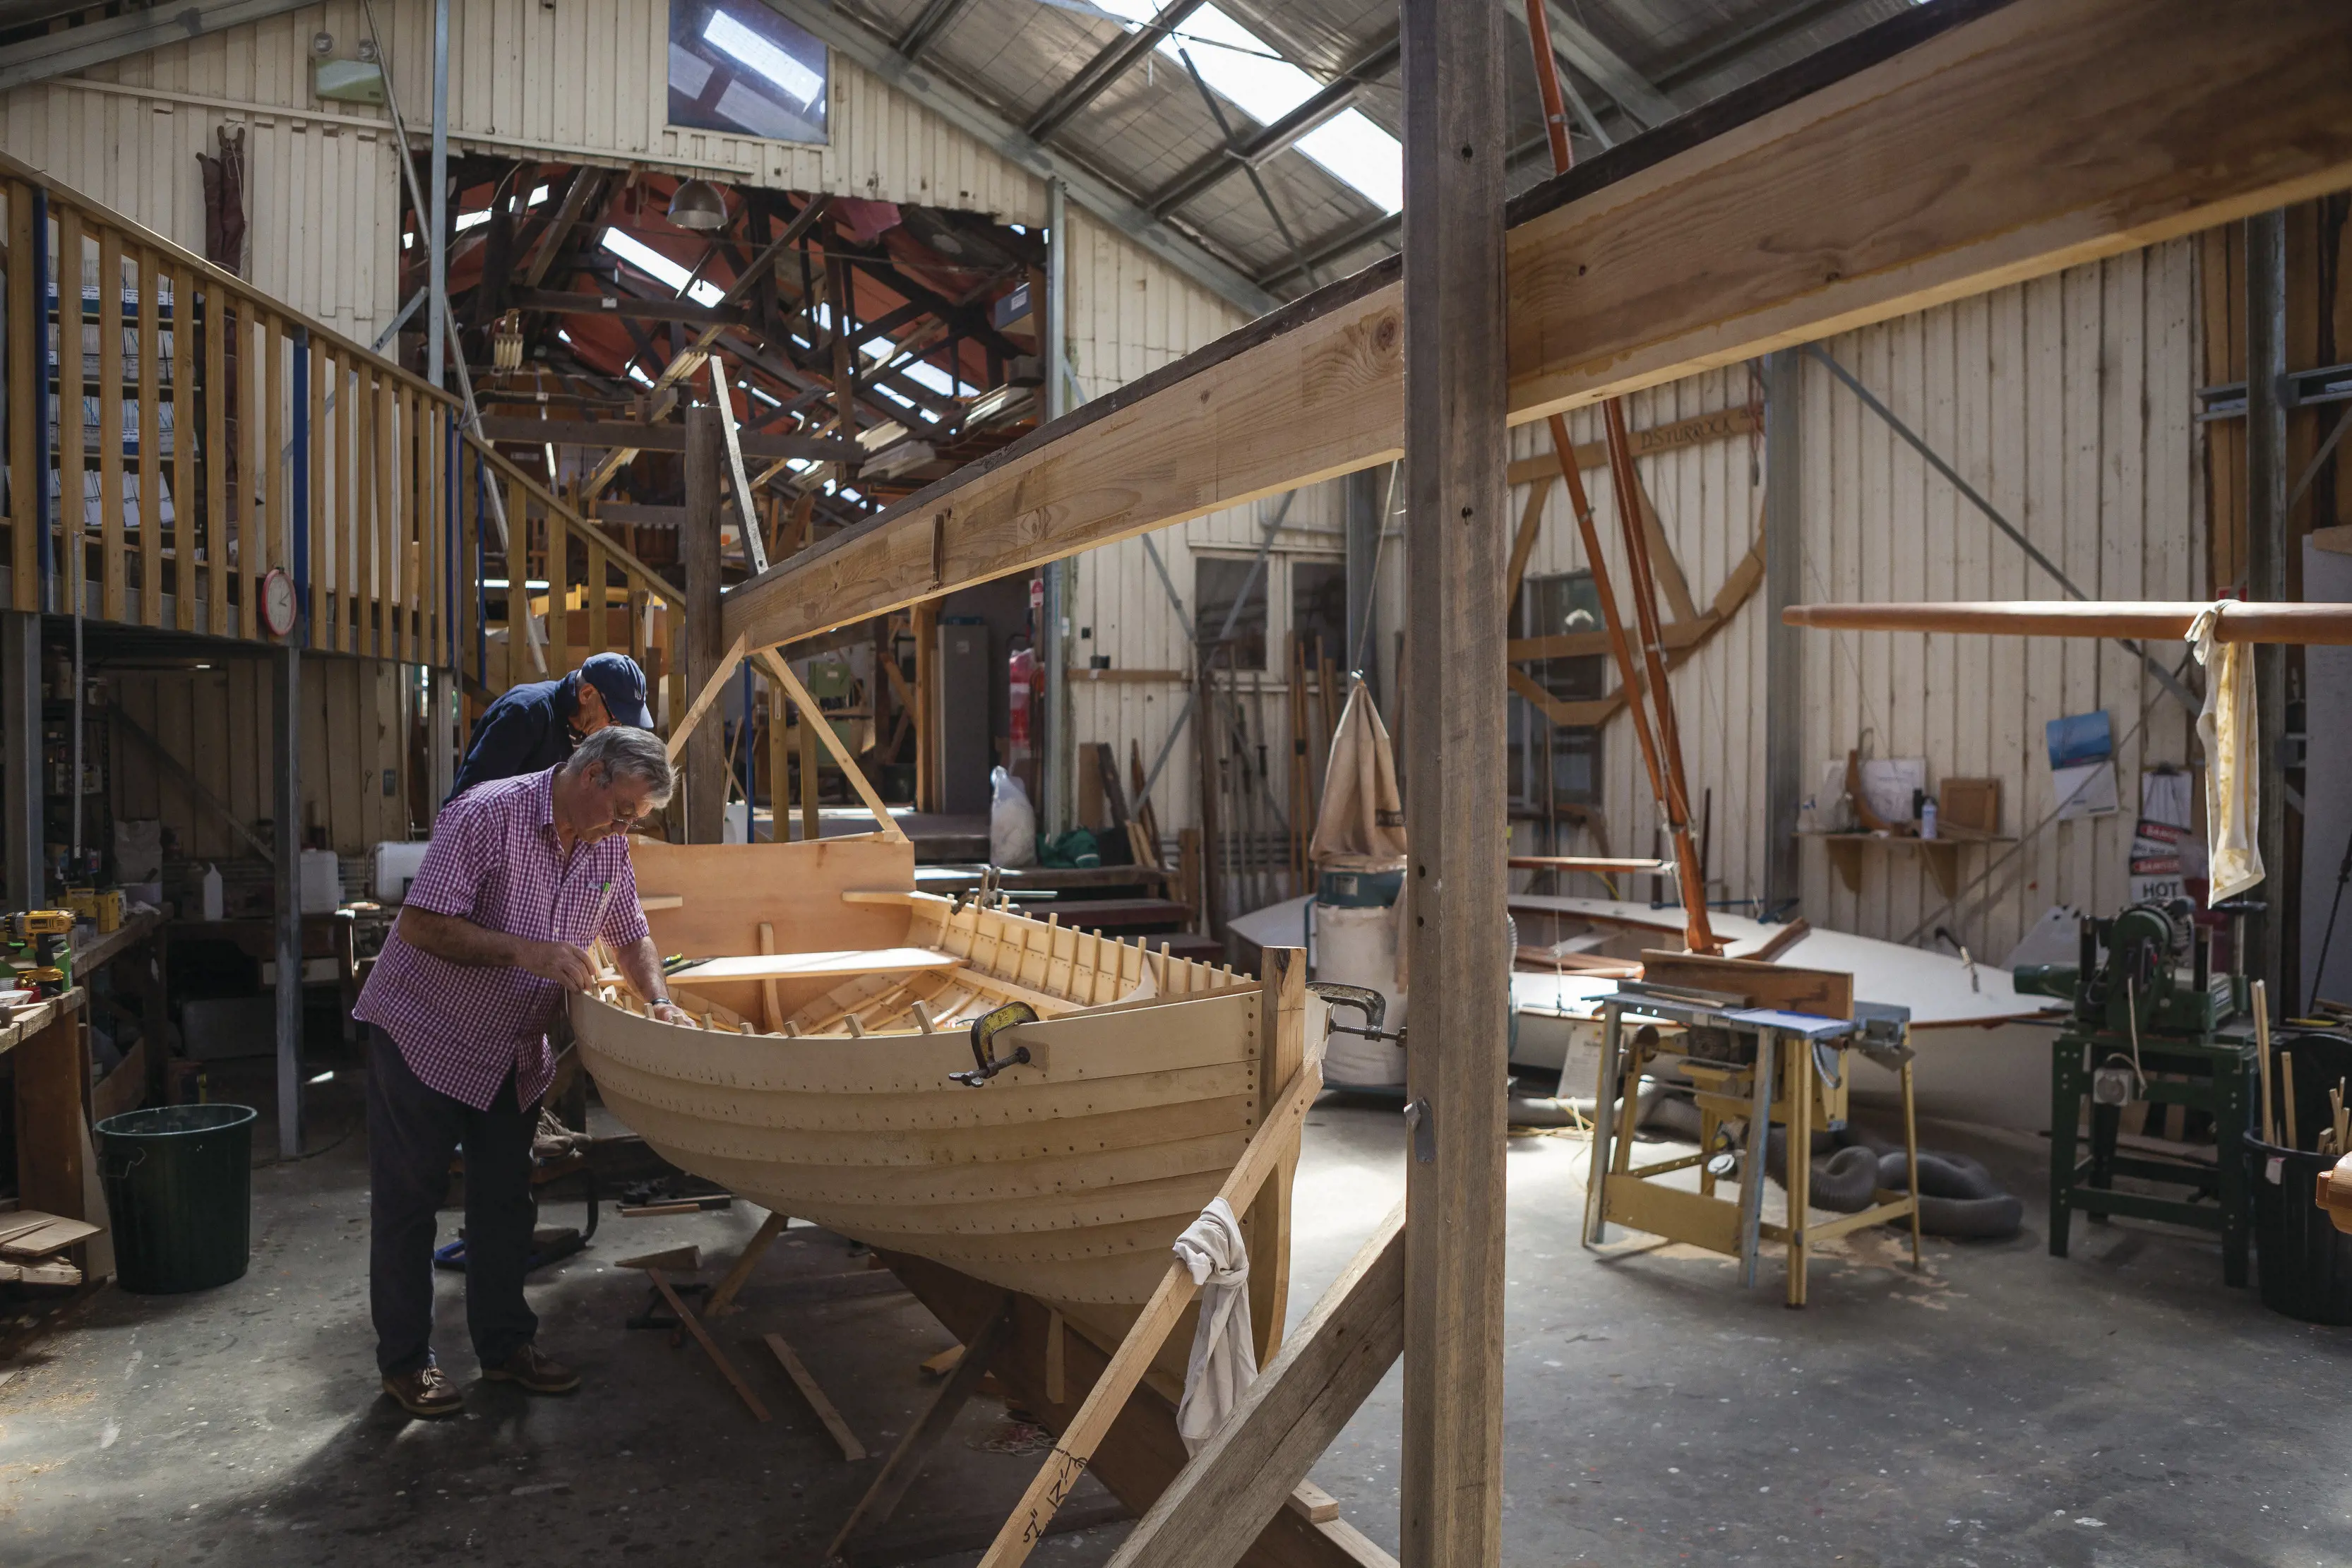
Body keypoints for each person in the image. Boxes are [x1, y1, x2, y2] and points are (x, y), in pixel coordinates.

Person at [353, 726, 695, 1418]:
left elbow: (630, 931)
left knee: (506, 1205)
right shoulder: (488, 813)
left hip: (510, 1050)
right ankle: (407, 1362)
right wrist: (528, 953)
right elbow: (420, 924)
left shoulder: (606, 844)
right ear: (593, 774)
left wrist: (658, 1000)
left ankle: (506, 1347)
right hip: (425, 1032)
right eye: (624, 811)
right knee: (410, 1204)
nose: (623, 828)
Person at [448, 651, 655, 801]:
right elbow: (472, 797)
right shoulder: (526, 713)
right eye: (614, 719)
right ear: (586, 695)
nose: (614, 729)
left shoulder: (587, 730)